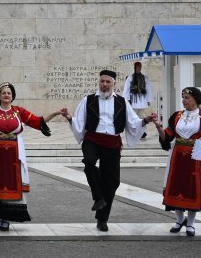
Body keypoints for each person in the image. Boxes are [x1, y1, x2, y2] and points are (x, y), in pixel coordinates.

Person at [62, 69, 157, 232]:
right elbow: (80, 120)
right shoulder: (88, 100)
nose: (104, 85)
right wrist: (70, 118)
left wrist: (146, 120)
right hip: (92, 139)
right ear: (99, 83)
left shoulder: (122, 102)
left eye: (108, 82)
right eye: (102, 82)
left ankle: (102, 218)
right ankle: (98, 197)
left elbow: (133, 122)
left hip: (112, 141)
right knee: (89, 162)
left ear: (114, 84)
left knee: (112, 182)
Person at [0, 83, 62, 231]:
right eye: (4, 93)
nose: (7, 95)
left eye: (9, 93)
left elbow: (38, 122)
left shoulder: (19, 111)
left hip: (14, 154)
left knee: (12, 180)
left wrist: (55, 113)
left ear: (12, 96)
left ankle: (6, 217)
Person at [154, 87, 201, 237]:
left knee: (193, 187)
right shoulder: (177, 116)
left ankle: (191, 223)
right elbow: (167, 135)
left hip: (196, 155)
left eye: (187, 97)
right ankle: (180, 219)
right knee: (177, 185)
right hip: (178, 155)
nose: (184, 100)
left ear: (196, 99)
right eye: (183, 97)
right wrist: (158, 127)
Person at [122, 61, 154, 138]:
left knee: (141, 116)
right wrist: (127, 99)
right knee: (133, 117)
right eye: (137, 67)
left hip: (142, 101)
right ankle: (133, 131)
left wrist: (148, 100)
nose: (139, 69)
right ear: (135, 68)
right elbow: (126, 89)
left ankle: (141, 132)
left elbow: (148, 89)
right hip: (133, 101)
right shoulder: (130, 77)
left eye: (140, 67)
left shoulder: (145, 78)